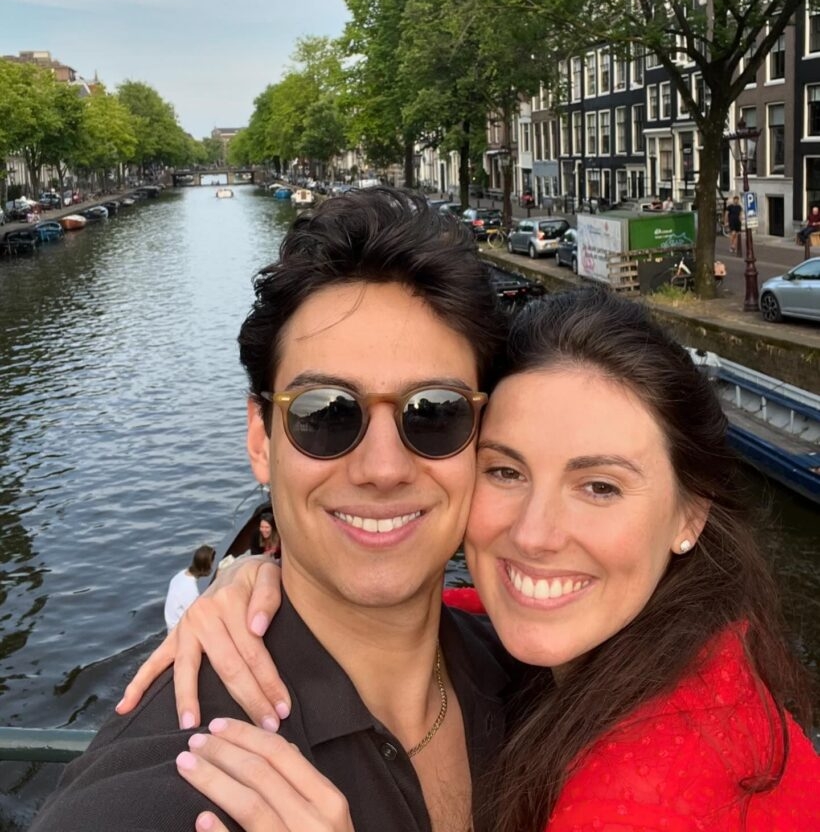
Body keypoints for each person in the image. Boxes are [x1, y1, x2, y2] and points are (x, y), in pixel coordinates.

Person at [139, 289, 819, 832]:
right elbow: (444, 612)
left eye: (600, 486)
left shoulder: (643, 792)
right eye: (505, 472)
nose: (537, 534)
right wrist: (262, 575)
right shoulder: (692, 652)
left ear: (688, 516)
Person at [28, 189, 513, 832]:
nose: (383, 468)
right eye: (326, 414)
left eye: (434, 413)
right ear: (261, 439)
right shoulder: (168, 793)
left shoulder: (534, 679)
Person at [163, 544, 215, 633]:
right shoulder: (191, 590)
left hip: (171, 625)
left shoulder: (180, 575)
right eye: (211, 566)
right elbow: (197, 619)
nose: (212, 568)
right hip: (178, 632)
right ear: (204, 568)